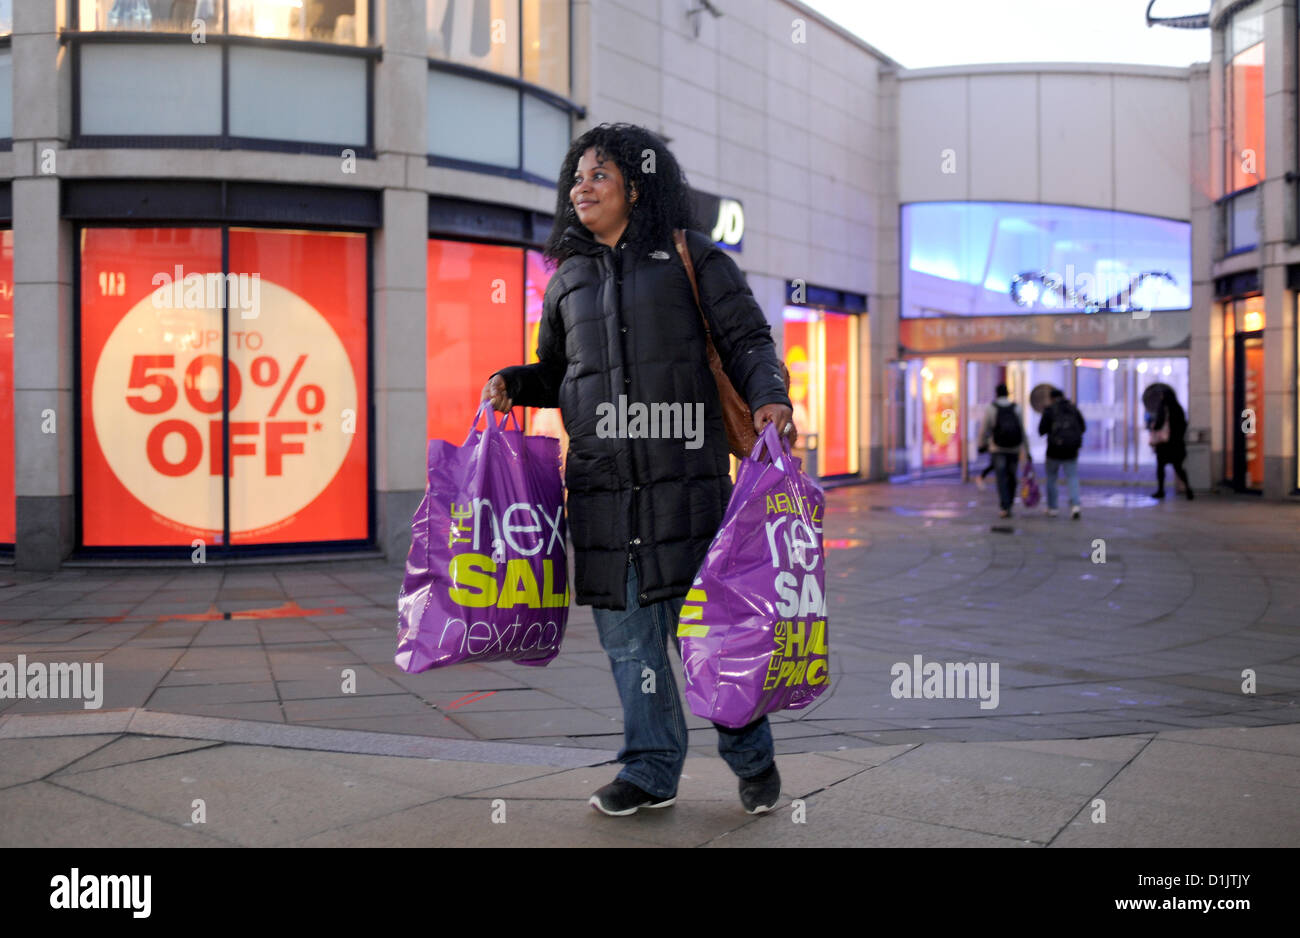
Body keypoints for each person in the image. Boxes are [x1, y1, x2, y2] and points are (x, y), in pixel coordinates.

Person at [481, 124, 794, 817]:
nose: (581, 188)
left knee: (709, 641)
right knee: (630, 648)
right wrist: (515, 381)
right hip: (601, 493)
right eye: (577, 177)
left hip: (689, 491)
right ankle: (650, 770)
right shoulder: (567, 279)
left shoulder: (693, 259)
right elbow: (560, 373)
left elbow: (747, 341)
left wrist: (771, 397)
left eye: (598, 175)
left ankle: (752, 758)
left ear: (637, 185)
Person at [977, 383, 1031, 518]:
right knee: (1012, 476)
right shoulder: (1016, 408)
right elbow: (1022, 430)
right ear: (1008, 393)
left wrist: (981, 444)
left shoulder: (991, 408)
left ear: (996, 393)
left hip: (997, 448)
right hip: (1014, 448)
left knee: (1001, 477)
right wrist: (1027, 449)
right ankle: (1010, 503)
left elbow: (985, 429)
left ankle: (1004, 506)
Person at [1037, 388, 1086, 519]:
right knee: (1072, 477)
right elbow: (1083, 427)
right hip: (1071, 450)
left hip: (1053, 450)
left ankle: (1053, 508)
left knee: (1052, 478)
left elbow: (1041, 430)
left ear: (1051, 398)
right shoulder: (1072, 408)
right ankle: (1075, 506)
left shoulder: (1049, 410)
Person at [1148, 386, 1193, 500]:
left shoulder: (1164, 409)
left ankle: (1161, 490)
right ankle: (1188, 489)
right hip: (1177, 444)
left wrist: (1152, 425)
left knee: (1161, 468)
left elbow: (1158, 424)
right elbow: (1183, 425)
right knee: (1178, 468)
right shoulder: (1178, 408)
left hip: (1165, 445)